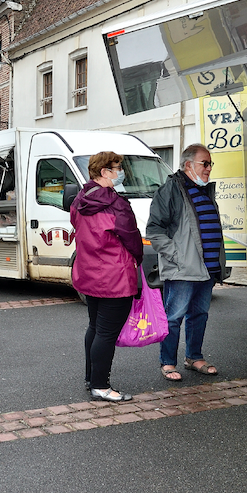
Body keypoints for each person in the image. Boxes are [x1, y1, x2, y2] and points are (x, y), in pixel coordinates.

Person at [146, 143, 229, 381]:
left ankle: (194, 357)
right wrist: (178, 256)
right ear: (188, 165)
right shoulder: (170, 190)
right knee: (174, 317)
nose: (209, 168)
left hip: (206, 269)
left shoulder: (204, 190)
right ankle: (168, 362)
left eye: (210, 163)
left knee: (199, 315)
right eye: (205, 163)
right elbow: (154, 230)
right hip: (183, 269)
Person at [70, 151, 144, 402]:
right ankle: (101, 386)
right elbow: (132, 238)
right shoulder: (116, 204)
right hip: (115, 276)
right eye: (117, 167)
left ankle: (92, 378)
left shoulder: (80, 199)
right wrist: (138, 258)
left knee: (95, 327)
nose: (120, 171)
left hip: (89, 272)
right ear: (104, 172)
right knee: (106, 332)